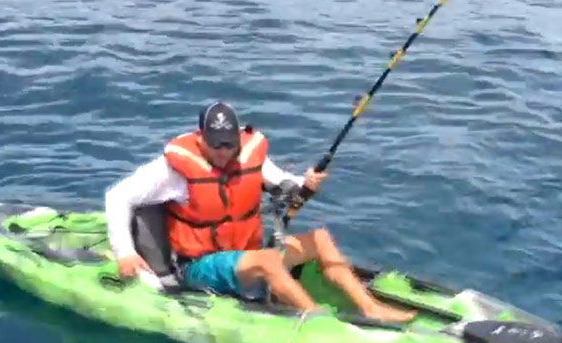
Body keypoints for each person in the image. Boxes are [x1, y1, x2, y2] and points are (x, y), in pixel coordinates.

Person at [105, 101, 415, 323]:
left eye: (229, 145)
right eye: (216, 145)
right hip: (197, 266)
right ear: (201, 138)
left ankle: (369, 307)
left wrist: (304, 183)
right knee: (268, 260)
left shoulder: (249, 158)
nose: (223, 152)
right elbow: (118, 197)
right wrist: (125, 253)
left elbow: (284, 183)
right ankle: (321, 325)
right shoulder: (172, 170)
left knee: (319, 238)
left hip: (244, 255)